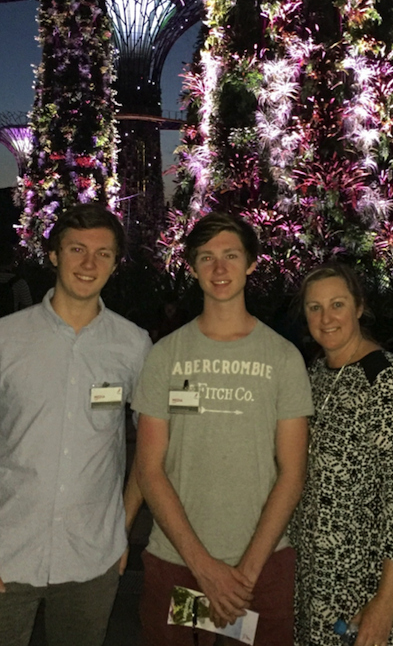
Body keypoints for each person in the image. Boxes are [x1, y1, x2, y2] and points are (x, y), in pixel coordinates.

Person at [0, 203, 152, 646]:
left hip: (91, 560)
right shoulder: (0, 340)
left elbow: (151, 445)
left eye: (103, 254)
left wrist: (120, 529)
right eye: (76, 249)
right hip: (0, 556)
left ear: (115, 263)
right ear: (53, 255)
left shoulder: (133, 345)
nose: (89, 264)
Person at [133, 212, 313, 646]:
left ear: (251, 264)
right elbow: (149, 469)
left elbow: (292, 472)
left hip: (260, 571)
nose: (219, 269)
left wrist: (243, 575)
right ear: (192, 266)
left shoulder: (282, 358)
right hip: (178, 564)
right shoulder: (165, 356)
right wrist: (206, 571)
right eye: (206, 257)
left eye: (231, 256)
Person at [292, 263, 393, 646]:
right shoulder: (316, 372)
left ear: (359, 307)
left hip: (375, 579)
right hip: (324, 576)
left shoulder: (386, 380)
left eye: (337, 304)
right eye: (315, 308)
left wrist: (385, 604)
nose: (326, 319)